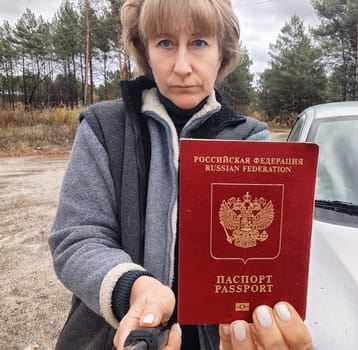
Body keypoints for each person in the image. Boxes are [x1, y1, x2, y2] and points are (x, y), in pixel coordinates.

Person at [48, 0, 313, 349]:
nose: (183, 66)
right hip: (120, 339)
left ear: (223, 52)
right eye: (165, 43)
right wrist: (134, 288)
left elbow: (266, 255)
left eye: (200, 42)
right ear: (146, 50)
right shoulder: (103, 128)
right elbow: (77, 237)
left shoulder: (251, 140)